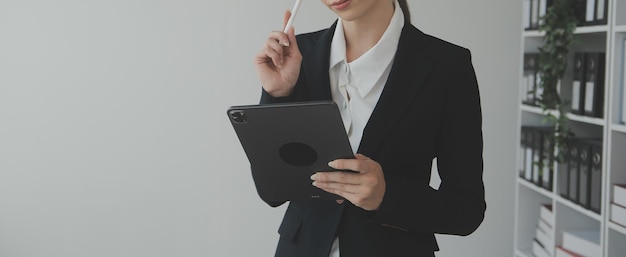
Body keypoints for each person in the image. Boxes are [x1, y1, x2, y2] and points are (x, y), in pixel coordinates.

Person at [254, 0, 486, 256]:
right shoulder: (297, 56)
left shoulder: (447, 66)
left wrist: (388, 196)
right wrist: (277, 95)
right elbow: (270, 191)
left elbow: (466, 209)